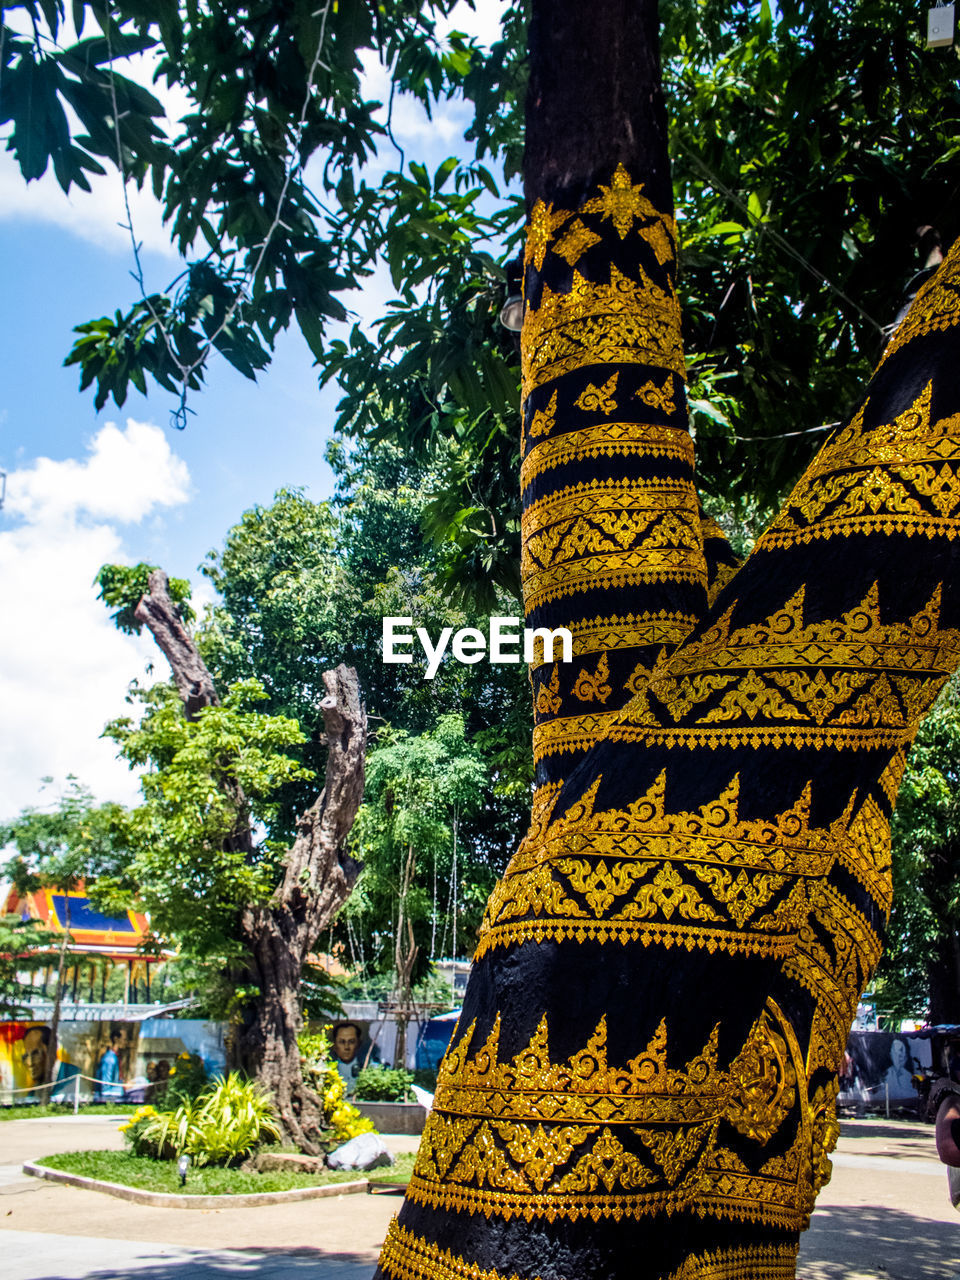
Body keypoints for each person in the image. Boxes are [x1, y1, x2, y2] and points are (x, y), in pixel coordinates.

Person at [331, 1021, 363, 1095]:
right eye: (342, 1042)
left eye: (351, 1042)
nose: (346, 1047)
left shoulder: (366, 1069)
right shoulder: (326, 1070)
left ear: (358, 1044)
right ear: (334, 1045)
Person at [95, 1031, 124, 1102]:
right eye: (124, 1039)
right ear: (116, 1039)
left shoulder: (115, 1057)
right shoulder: (110, 1059)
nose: (125, 1042)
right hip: (107, 1097)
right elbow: (105, 1086)